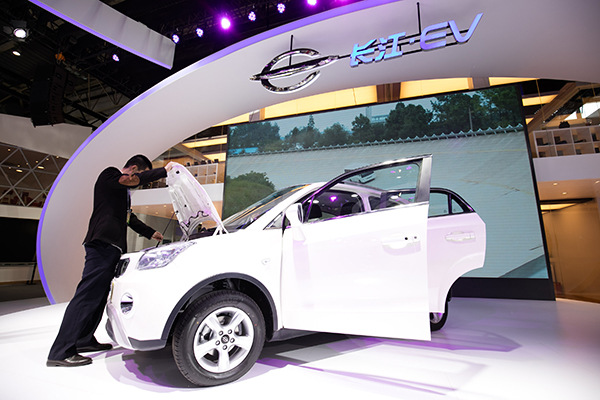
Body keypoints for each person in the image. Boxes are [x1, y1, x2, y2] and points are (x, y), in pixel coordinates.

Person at [47, 155, 174, 367]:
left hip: (112, 248)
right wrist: (164, 171)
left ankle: (83, 339)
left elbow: (128, 219)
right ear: (134, 168)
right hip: (102, 245)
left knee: (98, 297)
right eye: (140, 175)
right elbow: (131, 180)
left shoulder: (121, 193)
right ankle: (60, 352)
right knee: (86, 296)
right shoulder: (110, 175)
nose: (139, 183)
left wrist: (151, 232)